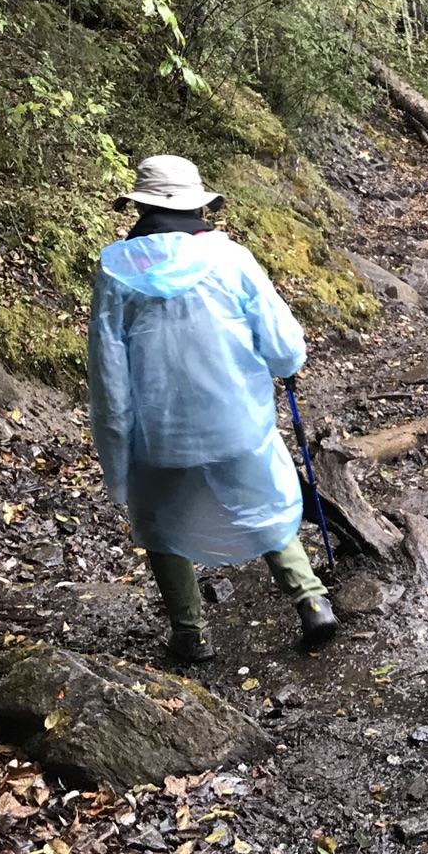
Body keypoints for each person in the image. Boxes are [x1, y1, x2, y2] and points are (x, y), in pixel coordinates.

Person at [87, 154, 339, 661]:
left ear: (140, 206)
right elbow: (286, 348)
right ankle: (311, 601)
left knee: (160, 521)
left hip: (159, 437)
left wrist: (118, 470)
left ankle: (191, 635)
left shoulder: (115, 273)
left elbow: (109, 382)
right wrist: (282, 364)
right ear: (201, 207)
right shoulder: (233, 260)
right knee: (261, 500)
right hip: (237, 424)